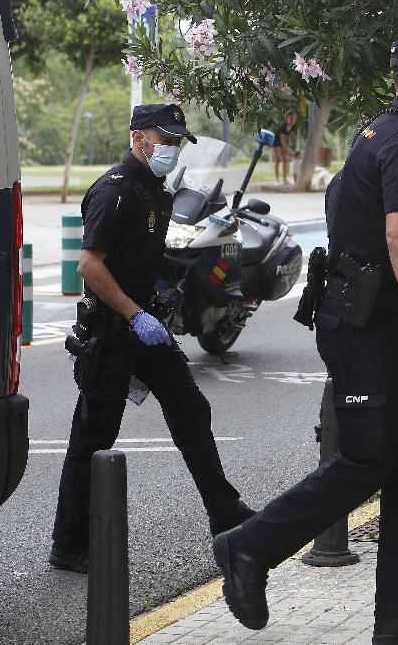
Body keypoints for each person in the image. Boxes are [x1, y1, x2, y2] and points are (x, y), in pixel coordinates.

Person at [211, 30, 398, 644]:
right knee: (368, 459)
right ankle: (250, 546)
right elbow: (396, 240)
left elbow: (387, 237)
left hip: (377, 318)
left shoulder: (384, 132)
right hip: (367, 328)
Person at [49, 103, 254, 574]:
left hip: (146, 326)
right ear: (138, 137)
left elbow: (146, 257)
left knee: (191, 410)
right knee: (94, 437)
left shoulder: (155, 191)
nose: (172, 149)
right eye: (165, 140)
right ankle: (69, 544)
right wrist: (135, 313)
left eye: (178, 142)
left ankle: (225, 513)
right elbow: (90, 265)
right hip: (113, 331)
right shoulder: (115, 192)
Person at [272, 107, 298, 185]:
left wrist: (288, 149)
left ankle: (284, 180)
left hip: (283, 144)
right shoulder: (283, 126)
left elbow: (288, 139)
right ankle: (277, 180)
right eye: (292, 117)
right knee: (278, 160)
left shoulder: (292, 127)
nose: (294, 119)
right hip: (276, 143)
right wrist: (289, 151)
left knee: (286, 160)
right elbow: (282, 140)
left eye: (295, 117)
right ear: (287, 118)